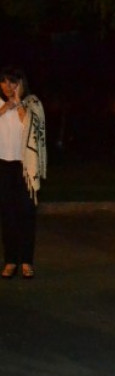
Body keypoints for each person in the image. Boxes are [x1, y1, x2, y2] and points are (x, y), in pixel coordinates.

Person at [0, 67, 46, 279]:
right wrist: (4, 108)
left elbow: (34, 127)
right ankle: (10, 261)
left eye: (12, 82)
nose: (8, 87)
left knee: (26, 215)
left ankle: (26, 261)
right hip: (3, 166)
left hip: (25, 168)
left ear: (21, 83)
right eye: (4, 82)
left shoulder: (31, 103)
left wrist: (18, 104)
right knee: (7, 215)